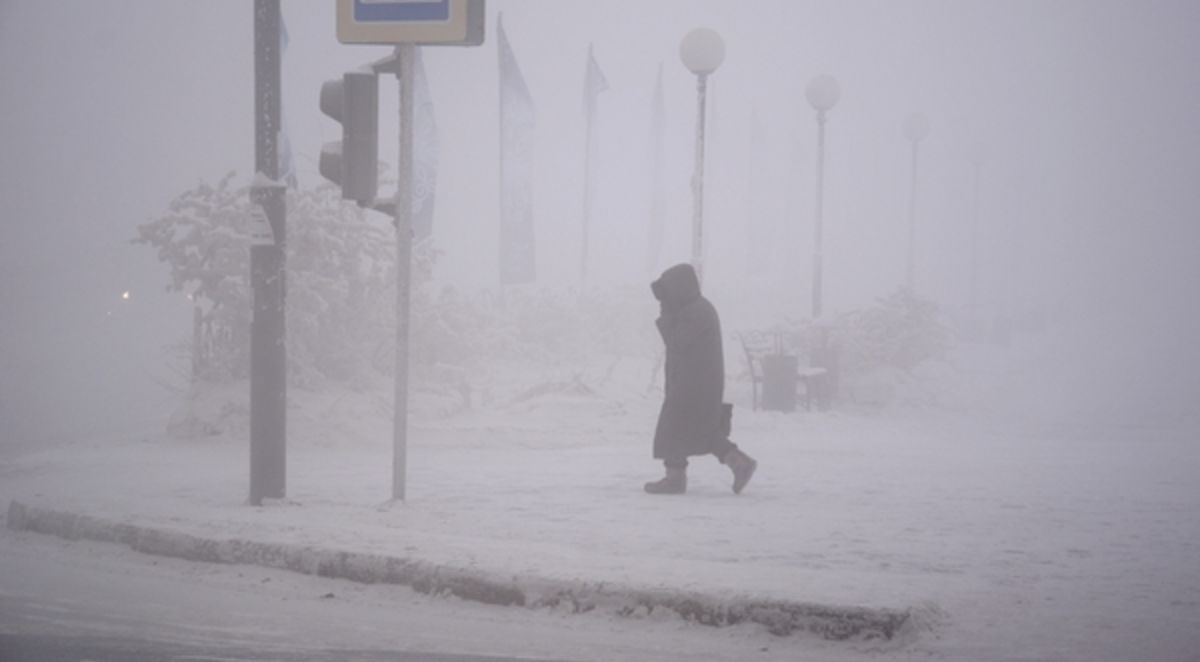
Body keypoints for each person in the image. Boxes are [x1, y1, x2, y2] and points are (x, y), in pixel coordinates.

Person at [645, 263, 757, 495]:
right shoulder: (694, 309)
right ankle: (736, 463)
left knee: (681, 427)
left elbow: (675, 341)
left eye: (667, 291)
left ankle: (677, 479)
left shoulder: (697, 312)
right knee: (691, 429)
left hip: (694, 384)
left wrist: (666, 313)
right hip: (693, 381)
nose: (664, 298)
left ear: (679, 288)